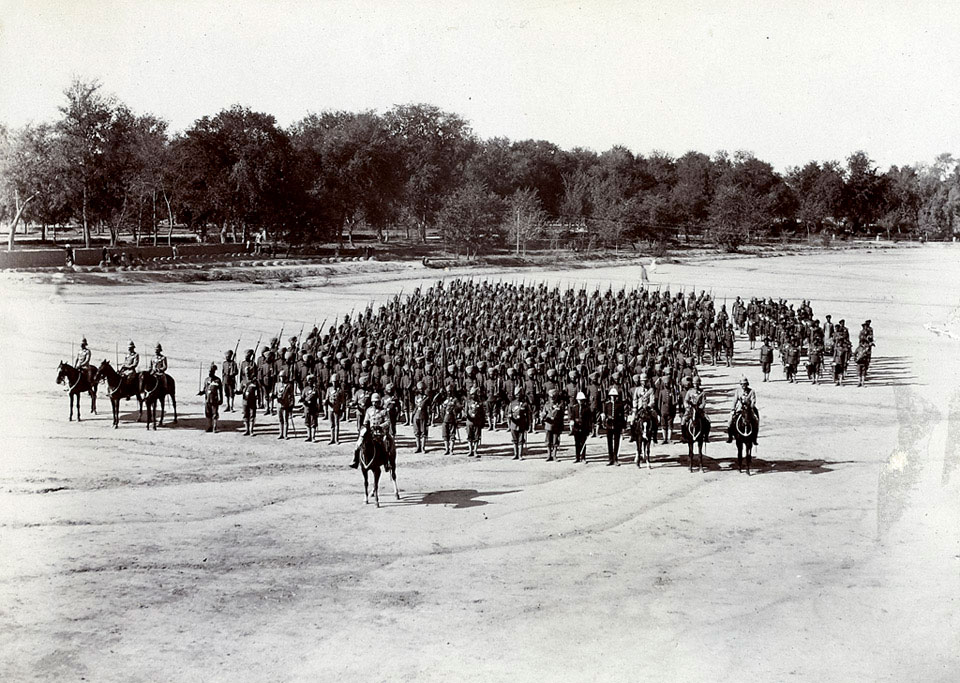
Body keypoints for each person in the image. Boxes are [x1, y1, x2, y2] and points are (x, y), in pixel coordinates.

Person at [351, 393, 394, 469]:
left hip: (380, 433)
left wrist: (380, 427)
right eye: (373, 402)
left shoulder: (383, 411)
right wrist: (365, 428)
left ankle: (386, 463)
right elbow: (365, 422)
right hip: (371, 433)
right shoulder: (369, 410)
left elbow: (388, 422)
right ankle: (355, 460)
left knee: (385, 445)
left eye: (376, 402)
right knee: (359, 443)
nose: (374, 403)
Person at [727, 376, 758, 444]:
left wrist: (751, 406)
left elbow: (753, 400)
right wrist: (733, 409)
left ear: (747, 384)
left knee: (755, 420)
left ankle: (754, 438)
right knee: (730, 420)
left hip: (749, 409)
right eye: (742, 384)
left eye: (745, 384)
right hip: (739, 409)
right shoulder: (738, 391)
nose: (743, 386)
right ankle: (730, 437)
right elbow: (735, 401)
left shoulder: (751, 391)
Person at [602, 386, 626, 466]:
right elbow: (604, 414)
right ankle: (610, 458)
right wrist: (604, 421)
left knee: (616, 442)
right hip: (609, 425)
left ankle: (616, 458)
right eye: (612, 396)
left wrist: (623, 427)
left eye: (614, 396)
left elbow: (622, 416)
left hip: (617, 425)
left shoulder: (620, 405)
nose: (613, 397)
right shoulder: (607, 404)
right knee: (609, 442)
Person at [507, 386, 531, 460]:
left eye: (519, 394)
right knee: (514, 440)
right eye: (516, 394)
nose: (518, 396)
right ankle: (515, 454)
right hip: (514, 424)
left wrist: (528, 424)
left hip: (522, 424)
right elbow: (508, 414)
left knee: (521, 440)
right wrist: (509, 423)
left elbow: (528, 415)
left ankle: (520, 455)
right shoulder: (512, 403)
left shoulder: (525, 404)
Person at [541, 388, 565, 462]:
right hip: (548, 425)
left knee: (555, 441)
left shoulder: (560, 404)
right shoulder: (547, 404)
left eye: (554, 397)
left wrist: (561, 426)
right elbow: (543, 415)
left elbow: (562, 416)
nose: (552, 399)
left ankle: (554, 455)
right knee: (548, 441)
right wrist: (543, 416)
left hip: (556, 425)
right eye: (551, 397)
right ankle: (549, 455)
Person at [569, 391, 593, 463]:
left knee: (583, 443)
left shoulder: (587, 408)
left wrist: (590, 429)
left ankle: (583, 457)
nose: (580, 401)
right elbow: (572, 417)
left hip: (584, 427)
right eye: (579, 400)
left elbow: (589, 420)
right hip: (576, 427)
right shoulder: (574, 408)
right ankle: (577, 457)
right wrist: (572, 422)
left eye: (582, 400)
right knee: (577, 443)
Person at [464, 386, 486, 458]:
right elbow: (465, 412)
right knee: (469, 437)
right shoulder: (468, 402)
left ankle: (475, 451)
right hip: (469, 422)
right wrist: (467, 416)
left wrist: (483, 422)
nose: (473, 395)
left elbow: (483, 413)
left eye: (474, 394)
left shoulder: (479, 403)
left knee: (476, 437)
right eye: (472, 394)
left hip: (477, 422)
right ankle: (470, 450)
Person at [324, 374, 347, 444]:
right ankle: (332, 438)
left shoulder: (340, 390)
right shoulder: (329, 389)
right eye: (333, 382)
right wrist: (325, 402)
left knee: (337, 424)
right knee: (331, 425)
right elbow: (326, 398)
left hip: (337, 409)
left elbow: (343, 401)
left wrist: (342, 409)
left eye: (336, 382)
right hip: (330, 409)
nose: (334, 383)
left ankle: (336, 439)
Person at [411, 382, 433, 453]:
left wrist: (429, 418)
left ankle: (423, 447)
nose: (421, 390)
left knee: (423, 433)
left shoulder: (426, 398)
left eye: (422, 389)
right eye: (420, 389)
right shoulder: (416, 397)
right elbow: (415, 407)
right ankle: (418, 447)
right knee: (416, 432)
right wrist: (412, 416)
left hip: (423, 415)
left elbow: (429, 409)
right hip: (416, 416)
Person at [439, 387, 461, 455]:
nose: (449, 393)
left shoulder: (455, 400)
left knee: (452, 435)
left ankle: (451, 449)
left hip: (452, 419)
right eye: (448, 391)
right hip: (444, 419)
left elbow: (460, 407)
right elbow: (438, 404)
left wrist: (455, 408)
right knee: (445, 435)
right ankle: (446, 449)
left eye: (450, 391)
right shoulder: (444, 399)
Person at [275, 371, 295, 440]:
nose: (282, 378)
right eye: (280, 377)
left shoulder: (289, 385)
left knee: (285, 420)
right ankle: (280, 433)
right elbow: (275, 394)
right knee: (280, 420)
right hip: (279, 405)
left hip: (286, 405)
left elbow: (292, 396)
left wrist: (291, 405)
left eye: (283, 377)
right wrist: (273, 395)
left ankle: (285, 434)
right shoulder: (277, 385)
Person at [301, 374, 320, 442]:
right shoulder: (305, 389)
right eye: (309, 380)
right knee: (307, 423)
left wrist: (318, 408)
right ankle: (309, 436)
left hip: (314, 408)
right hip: (307, 408)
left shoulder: (316, 389)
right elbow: (302, 398)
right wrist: (304, 402)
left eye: (311, 380)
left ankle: (313, 437)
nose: (310, 382)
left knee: (313, 423)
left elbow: (318, 399)